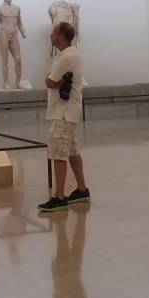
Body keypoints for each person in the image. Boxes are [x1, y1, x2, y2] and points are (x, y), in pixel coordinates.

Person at [38, 22, 90, 212]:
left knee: (59, 152)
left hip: (64, 113)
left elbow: (49, 81)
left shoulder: (67, 56)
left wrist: (54, 81)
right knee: (72, 151)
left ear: (61, 36)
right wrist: (54, 80)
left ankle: (59, 197)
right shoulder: (64, 55)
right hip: (67, 111)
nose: (50, 35)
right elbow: (51, 79)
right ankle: (82, 189)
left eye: (53, 32)